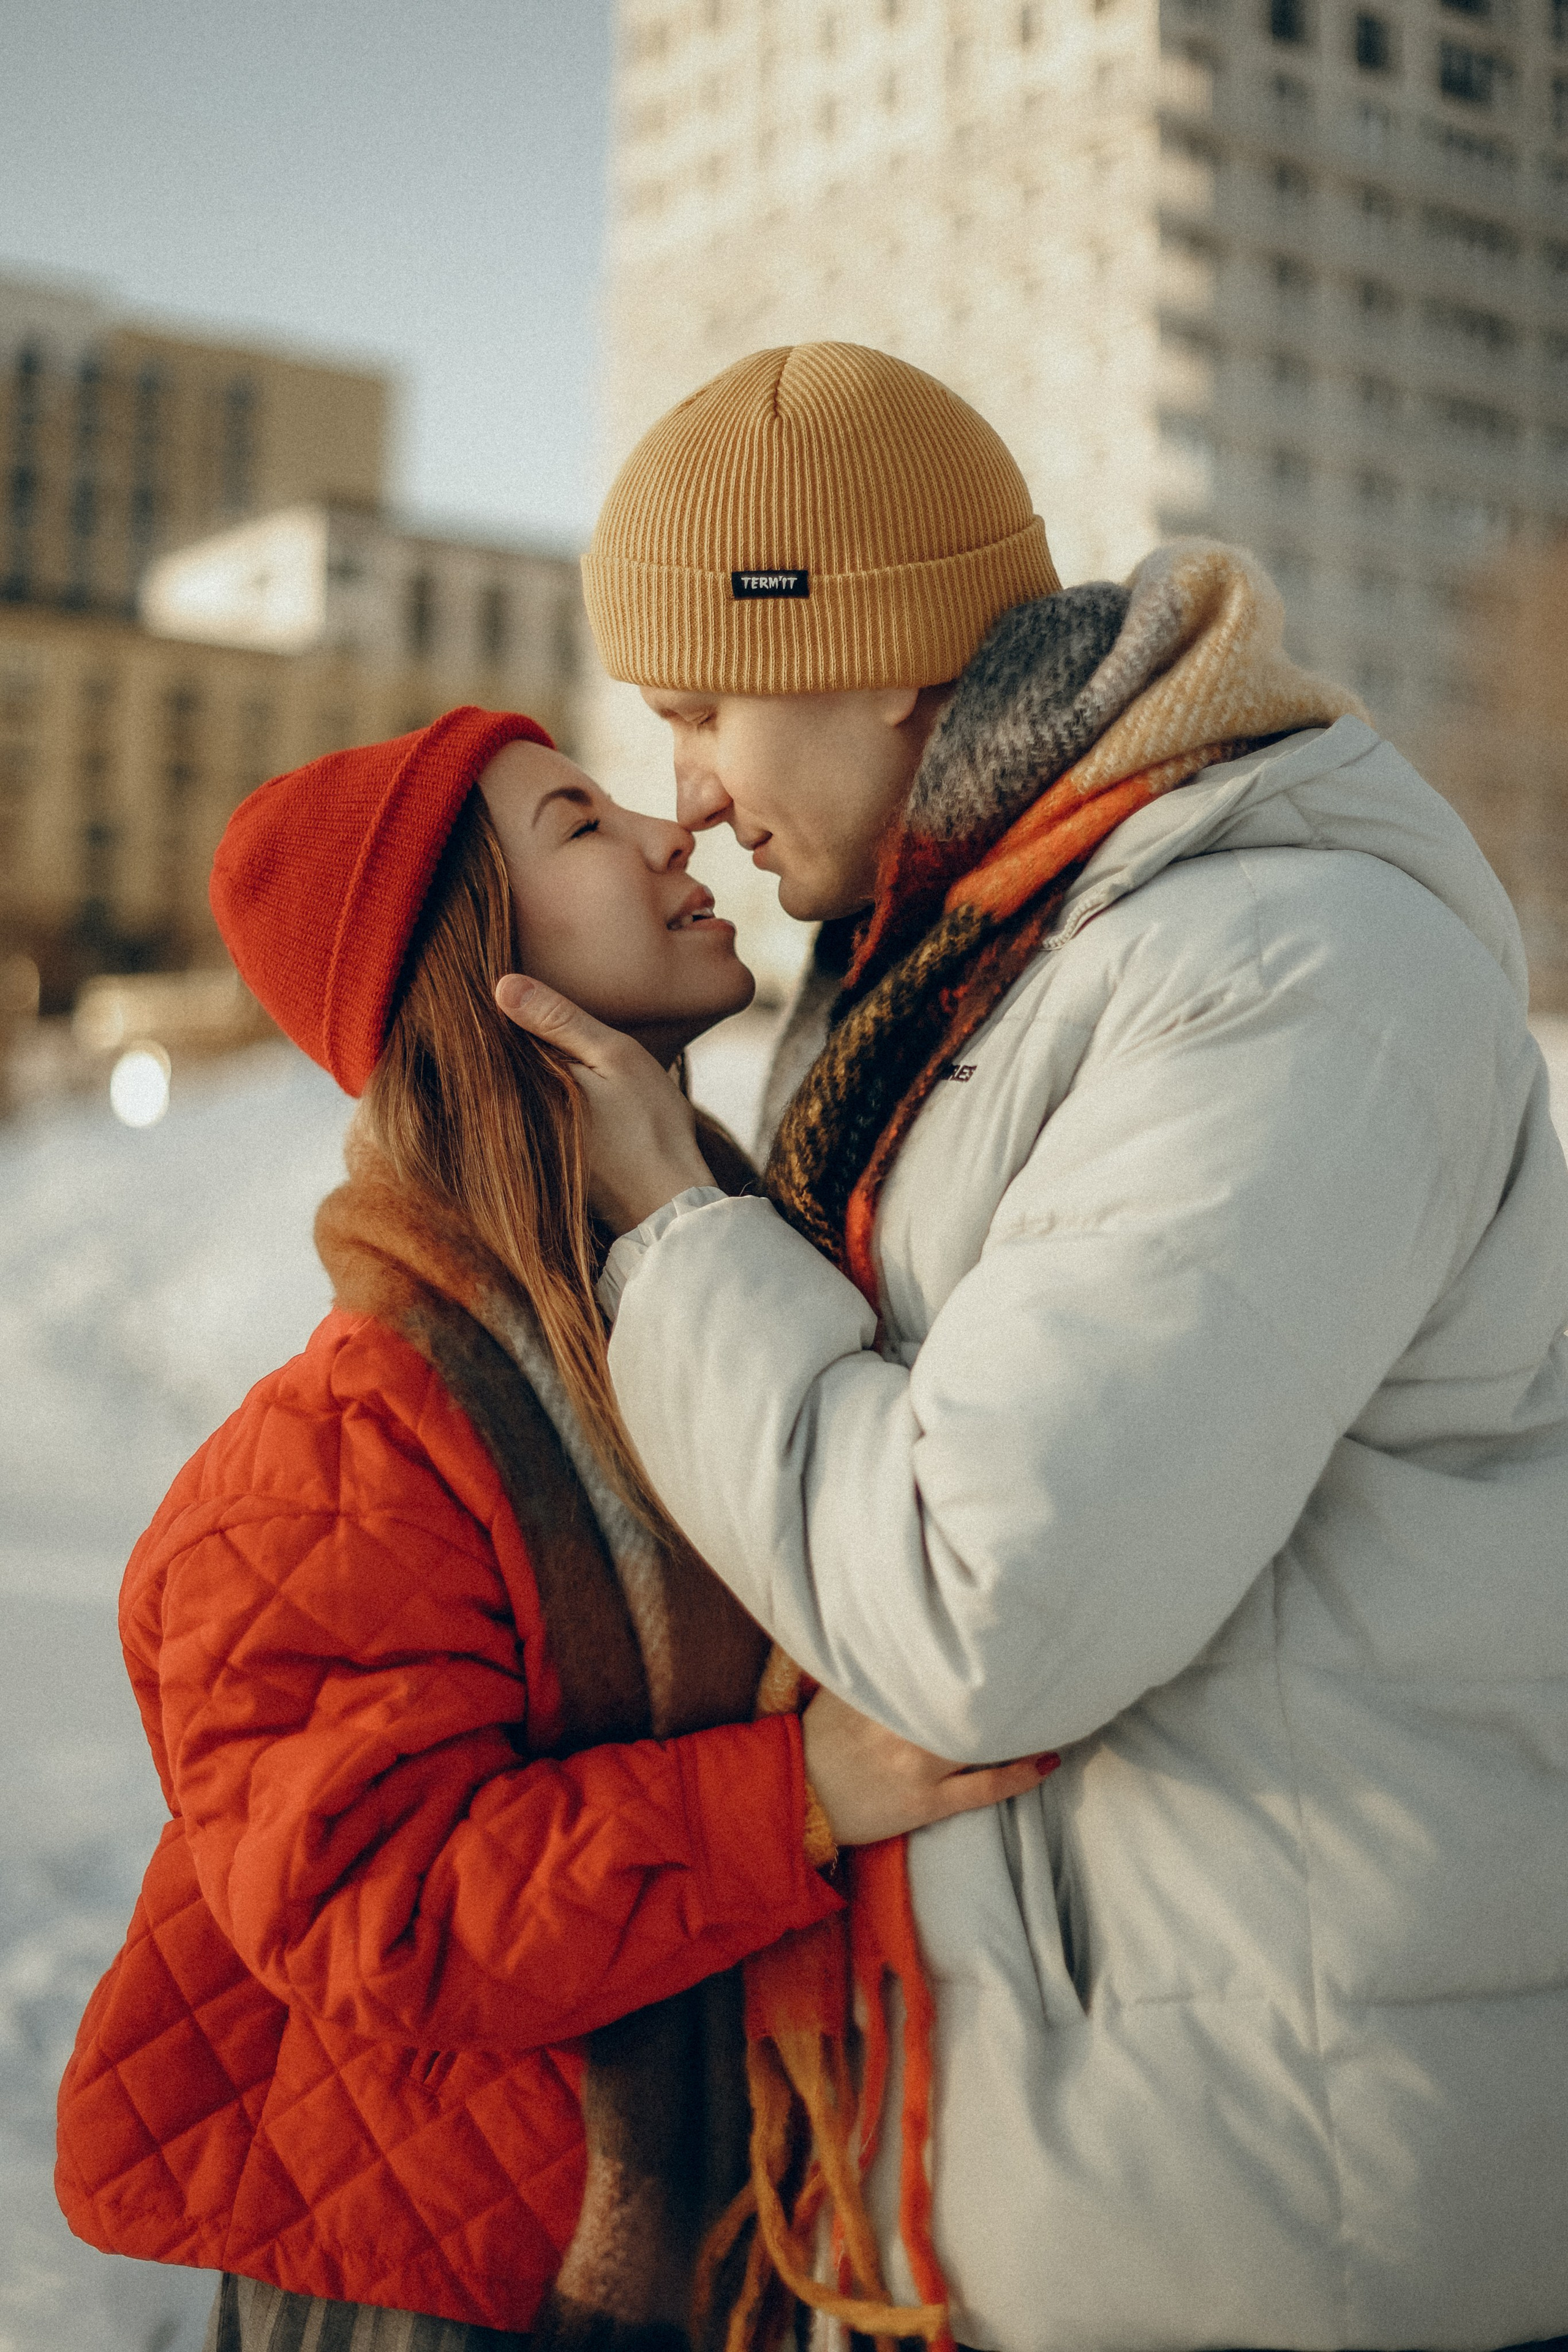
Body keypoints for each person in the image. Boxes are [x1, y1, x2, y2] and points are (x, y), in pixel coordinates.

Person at [496, 345, 1568, 2352]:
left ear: (884, 655)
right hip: (1063, 2188)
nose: (693, 791)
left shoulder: (1283, 972)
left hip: (1283, 2241)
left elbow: (986, 1608)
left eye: (703, 708)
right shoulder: (962, 970)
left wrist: (682, 1238)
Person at [54, 705, 1047, 2351]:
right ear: (478, 966)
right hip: (432, 2293)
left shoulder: (725, 1295)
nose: (675, 828)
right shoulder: (350, 1443)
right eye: (581, 825)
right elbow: (382, 1905)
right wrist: (797, 1797)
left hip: (745, 2256)